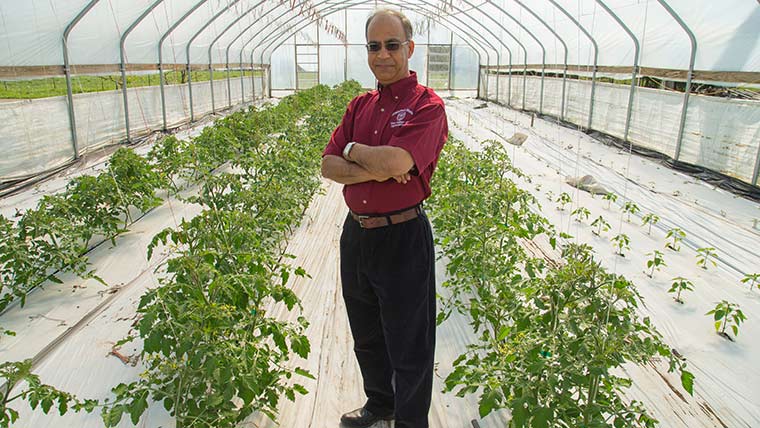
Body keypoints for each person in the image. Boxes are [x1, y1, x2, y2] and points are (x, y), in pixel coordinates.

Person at [321, 8, 448, 428]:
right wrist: (374, 163)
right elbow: (327, 165)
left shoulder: (426, 106)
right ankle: (380, 404)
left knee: (409, 342)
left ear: (409, 48)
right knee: (368, 332)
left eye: (392, 44)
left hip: (402, 236)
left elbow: (397, 159)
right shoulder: (360, 105)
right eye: (374, 46)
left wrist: (354, 152)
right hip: (356, 236)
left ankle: (411, 422)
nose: (383, 54)